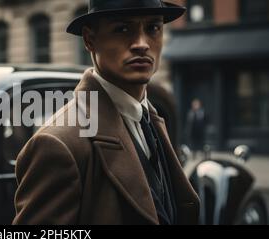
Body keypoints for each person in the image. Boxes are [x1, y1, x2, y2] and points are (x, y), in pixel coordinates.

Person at [13, 0, 199, 225]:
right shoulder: (57, 144)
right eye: (122, 29)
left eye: (153, 28)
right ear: (90, 40)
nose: (142, 44)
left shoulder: (152, 118)